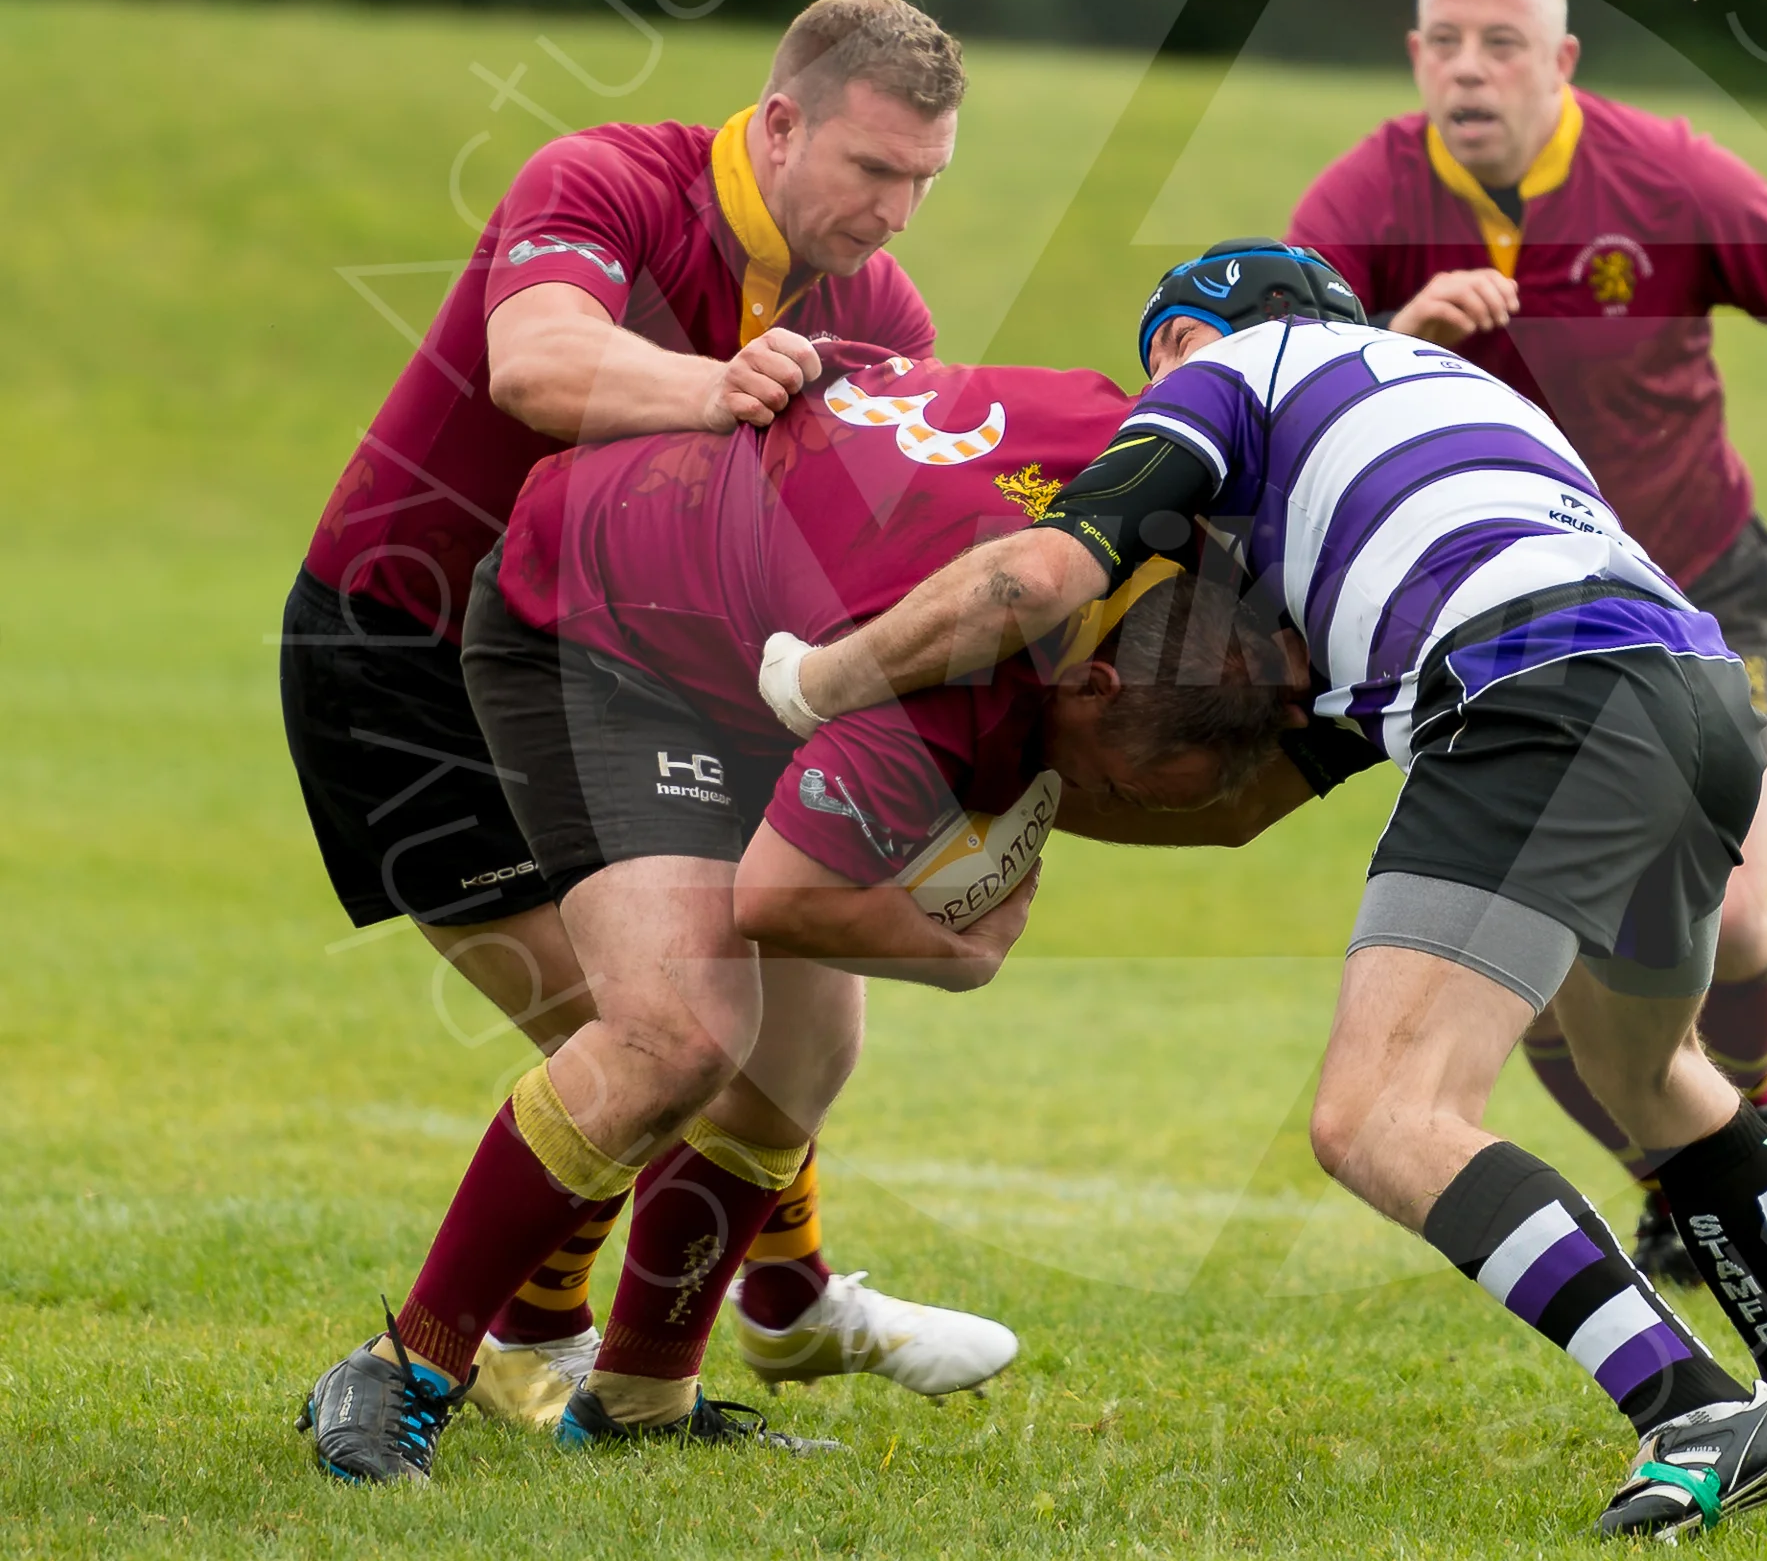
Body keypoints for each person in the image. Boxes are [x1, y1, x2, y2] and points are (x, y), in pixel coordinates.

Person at [769, 241, 1767, 1540]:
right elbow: (1260, 796)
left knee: (1381, 1115)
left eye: (1155, 367)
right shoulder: (1438, 411)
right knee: (1652, 1073)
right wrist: (1049, 808)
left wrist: (817, 684)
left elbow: (1033, 576)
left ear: (1188, 339)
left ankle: (1691, 1404)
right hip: (1696, 700)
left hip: (1534, 699)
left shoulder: (1229, 373)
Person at [298, 342, 1299, 1479]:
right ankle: (402, 1365)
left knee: (808, 1048)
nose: (1091, 807)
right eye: (1112, 784)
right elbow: (781, 898)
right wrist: (959, 951)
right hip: (591, 623)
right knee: (680, 1032)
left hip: (748, 614)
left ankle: (638, 1399)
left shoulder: (1136, 460)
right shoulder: (941, 691)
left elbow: (912, 395)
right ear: (1090, 682)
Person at [277, 0, 995, 1418]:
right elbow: (536, 365)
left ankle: (666, 1366)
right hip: (407, 651)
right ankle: (521, 1347)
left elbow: (867, 535)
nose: (899, 211)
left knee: (792, 1036)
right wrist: (715, 385)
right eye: (874, 170)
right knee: (649, 1036)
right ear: (781, 123)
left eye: (927, 180)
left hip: (642, 673)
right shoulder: (606, 180)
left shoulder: (876, 302)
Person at [1288, 0, 1767, 1282]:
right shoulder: (1368, 192)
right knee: (1548, 987)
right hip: (1496, 639)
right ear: (1414, 59)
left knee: (1739, 923)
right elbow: (1281, 381)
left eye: (1502, 43)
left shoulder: (1665, 172)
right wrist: (1400, 333)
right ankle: (1680, 1176)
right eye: (1445, 42)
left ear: (1562, 61)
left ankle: (1747, 1127)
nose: (1470, 68)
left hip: (1693, 597)